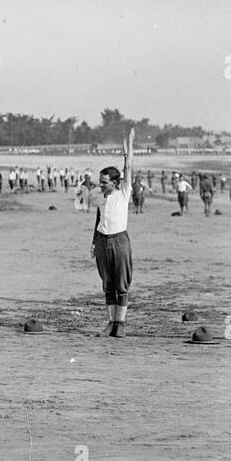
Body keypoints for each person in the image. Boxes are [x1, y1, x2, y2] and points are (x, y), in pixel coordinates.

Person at [92, 128, 135, 338]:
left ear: (115, 183)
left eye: (104, 182)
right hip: (102, 241)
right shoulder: (101, 198)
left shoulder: (124, 192)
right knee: (107, 285)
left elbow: (128, 169)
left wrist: (128, 151)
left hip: (120, 241)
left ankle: (121, 323)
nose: (101, 185)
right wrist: (93, 243)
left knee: (122, 285)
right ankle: (110, 323)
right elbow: (98, 220)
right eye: (100, 182)